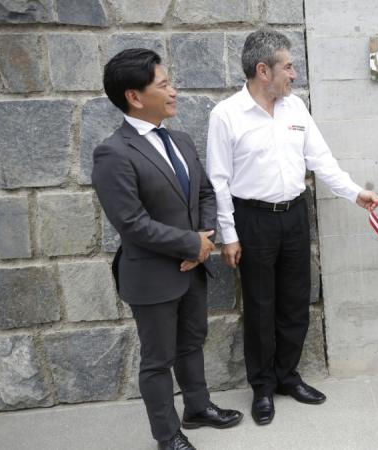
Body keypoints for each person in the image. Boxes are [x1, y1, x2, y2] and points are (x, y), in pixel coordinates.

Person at [206, 29, 378, 426]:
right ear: (263, 70)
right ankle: (262, 386)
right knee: (260, 307)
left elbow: (322, 161)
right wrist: (229, 235)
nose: (294, 74)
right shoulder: (226, 115)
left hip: (294, 216)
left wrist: (356, 193)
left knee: (296, 301)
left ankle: (287, 376)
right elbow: (219, 180)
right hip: (253, 220)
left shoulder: (295, 108)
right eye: (288, 66)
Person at [92, 49, 243, 450]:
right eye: (164, 85)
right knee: (158, 360)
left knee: (192, 341)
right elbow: (131, 223)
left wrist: (204, 237)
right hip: (153, 274)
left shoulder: (180, 139)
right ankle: (167, 435)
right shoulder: (113, 152)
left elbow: (205, 192)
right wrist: (192, 243)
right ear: (135, 97)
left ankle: (198, 407)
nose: (174, 91)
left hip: (193, 266)